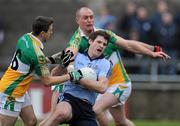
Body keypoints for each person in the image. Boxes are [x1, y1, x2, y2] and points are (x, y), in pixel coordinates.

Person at [44, 7, 170, 126]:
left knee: (96, 110)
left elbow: (128, 44)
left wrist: (152, 51)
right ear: (77, 20)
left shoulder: (104, 35)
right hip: (101, 83)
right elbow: (70, 54)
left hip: (119, 83)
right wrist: (65, 69)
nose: (89, 20)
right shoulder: (77, 40)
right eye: (85, 18)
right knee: (121, 122)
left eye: (91, 17)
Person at [0, 16, 77, 126]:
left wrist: (51, 59)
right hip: (12, 92)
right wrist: (71, 76)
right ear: (42, 33)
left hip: (18, 87)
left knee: (31, 121)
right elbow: (47, 81)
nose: (51, 32)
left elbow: (31, 63)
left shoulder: (25, 37)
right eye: (50, 30)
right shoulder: (37, 53)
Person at [40, 30, 112, 126]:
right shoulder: (76, 55)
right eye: (99, 42)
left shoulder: (105, 63)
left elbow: (102, 87)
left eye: (104, 44)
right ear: (90, 41)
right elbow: (54, 74)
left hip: (87, 107)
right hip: (69, 98)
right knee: (61, 113)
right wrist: (63, 64)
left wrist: (79, 79)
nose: (101, 46)